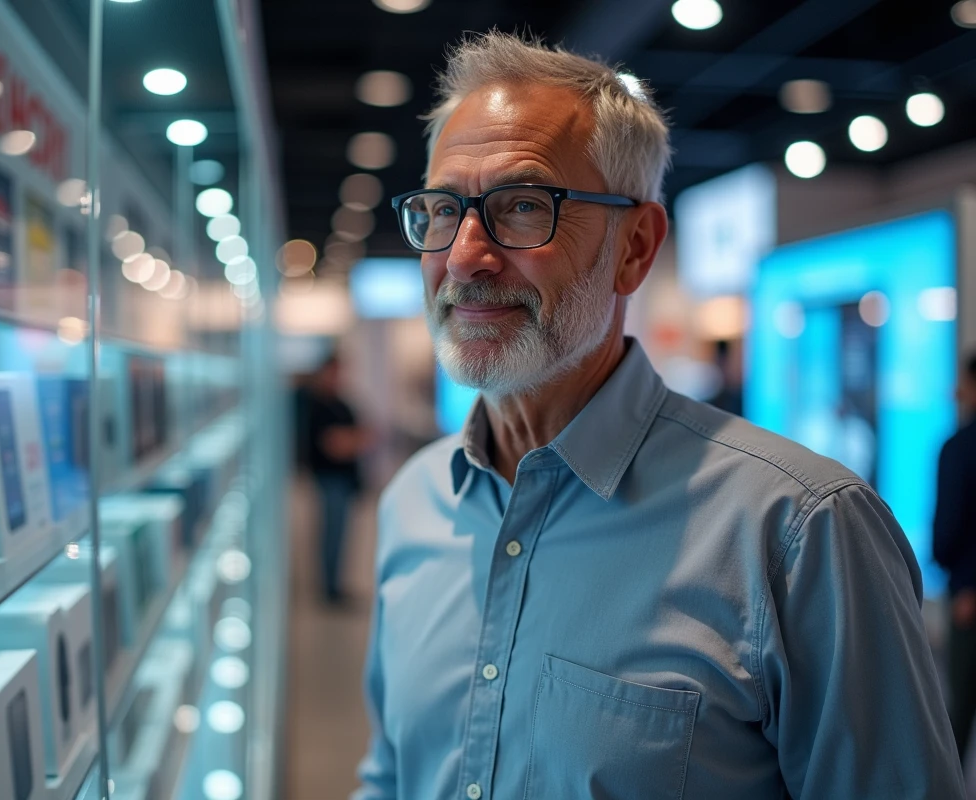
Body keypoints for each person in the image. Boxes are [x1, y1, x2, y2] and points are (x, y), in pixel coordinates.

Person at [354, 31, 961, 800]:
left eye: (523, 207)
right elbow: (390, 776)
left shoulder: (796, 531)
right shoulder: (415, 502)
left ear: (635, 246)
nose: (465, 255)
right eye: (443, 210)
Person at [934, 353, 976, 765]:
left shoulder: (960, 447)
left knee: (958, 711)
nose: (956, 391)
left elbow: (948, 528)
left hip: (968, 597)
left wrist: (965, 583)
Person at [300, 353, 366, 604]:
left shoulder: (341, 403)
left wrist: (350, 440)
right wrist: (351, 440)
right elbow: (334, 445)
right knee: (331, 534)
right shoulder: (316, 406)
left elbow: (362, 436)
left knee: (340, 535)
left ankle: (334, 585)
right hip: (329, 478)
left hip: (344, 479)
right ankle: (329, 589)